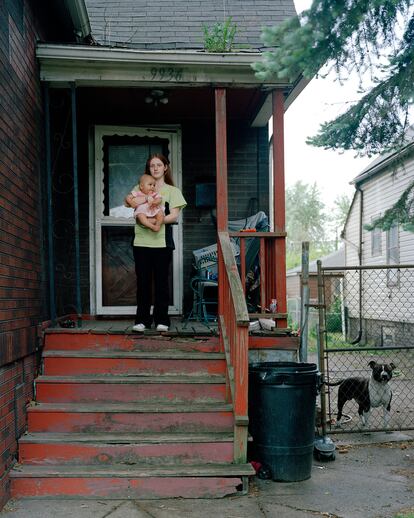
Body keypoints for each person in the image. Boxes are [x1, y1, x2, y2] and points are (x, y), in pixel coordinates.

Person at [125, 154, 186, 332]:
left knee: (161, 283)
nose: (156, 168)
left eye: (159, 165)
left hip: (162, 243)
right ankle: (142, 321)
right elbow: (131, 202)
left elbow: (174, 216)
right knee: (143, 282)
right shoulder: (140, 186)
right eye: (152, 166)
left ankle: (162, 320)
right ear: (149, 169)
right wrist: (149, 198)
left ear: (165, 167)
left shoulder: (173, 191)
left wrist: (153, 221)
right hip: (141, 242)